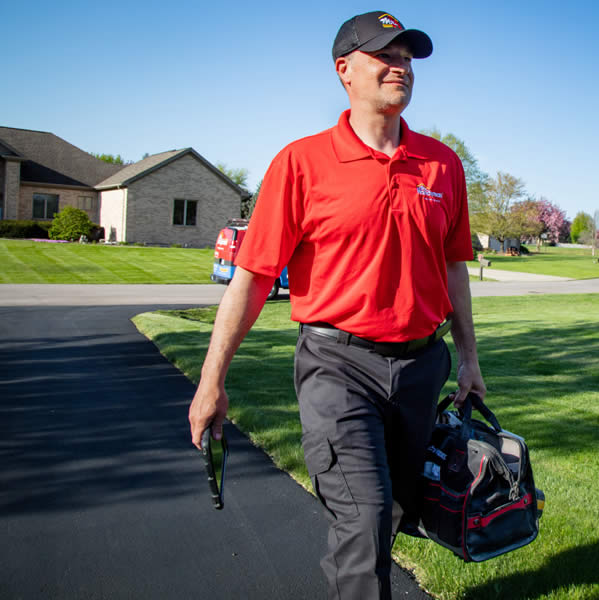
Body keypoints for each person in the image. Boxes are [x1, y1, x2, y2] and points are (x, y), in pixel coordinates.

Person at [188, 10, 486, 600]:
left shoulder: (443, 165)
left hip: (423, 367)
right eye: (385, 55)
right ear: (344, 70)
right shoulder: (301, 163)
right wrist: (210, 379)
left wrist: (469, 357)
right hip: (337, 365)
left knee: (394, 513)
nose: (400, 66)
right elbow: (250, 279)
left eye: (407, 57)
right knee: (365, 519)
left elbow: (454, 268)